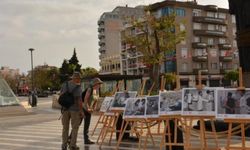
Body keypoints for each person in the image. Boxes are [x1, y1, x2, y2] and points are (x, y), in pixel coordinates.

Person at [61, 72, 84, 150]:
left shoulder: (64, 84)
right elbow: (79, 101)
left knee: (65, 128)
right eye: (79, 79)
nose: (79, 80)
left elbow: (61, 96)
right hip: (74, 110)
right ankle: (72, 145)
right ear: (76, 78)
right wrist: (81, 111)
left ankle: (64, 145)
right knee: (75, 128)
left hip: (65, 109)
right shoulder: (78, 87)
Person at [83, 77, 103, 144]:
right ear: (95, 84)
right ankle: (70, 137)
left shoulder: (96, 91)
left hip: (88, 110)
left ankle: (86, 140)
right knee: (77, 124)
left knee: (87, 124)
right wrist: (88, 108)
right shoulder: (90, 89)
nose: (100, 85)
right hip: (83, 108)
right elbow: (85, 99)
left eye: (100, 84)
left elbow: (96, 100)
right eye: (98, 84)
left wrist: (94, 108)